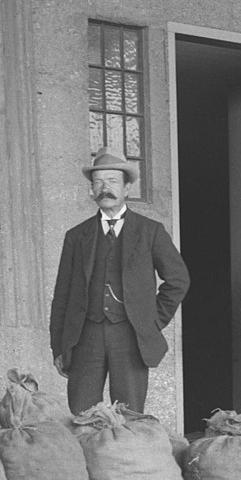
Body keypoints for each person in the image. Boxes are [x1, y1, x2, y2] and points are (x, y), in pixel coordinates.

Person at [49, 148, 190, 415]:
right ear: (92, 190)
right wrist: (58, 345)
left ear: (127, 188)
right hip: (85, 337)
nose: (105, 188)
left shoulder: (150, 232)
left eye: (113, 181)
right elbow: (62, 295)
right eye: (99, 182)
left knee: (130, 414)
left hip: (130, 335)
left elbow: (179, 279)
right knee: (82, 414)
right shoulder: (77, 236)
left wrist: (152, 320)